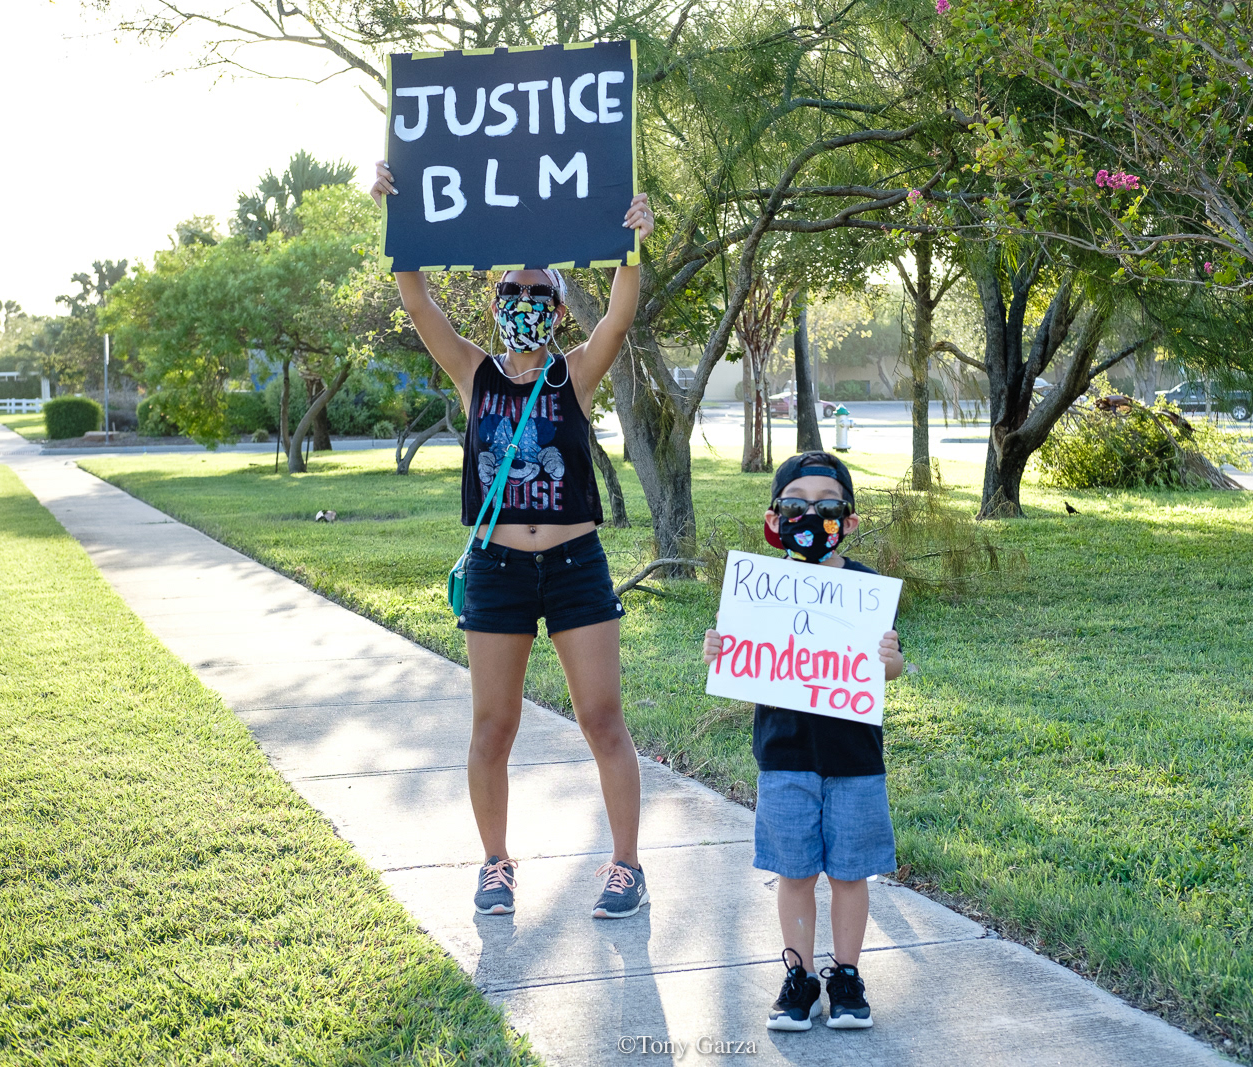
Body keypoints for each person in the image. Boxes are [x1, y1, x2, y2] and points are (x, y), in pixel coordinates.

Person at [369, 159, 656, 920]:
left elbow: (620, 317)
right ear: (496, 302)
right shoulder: (473, 373)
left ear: (558, 309)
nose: (524, 301)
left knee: (603, 718)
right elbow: (418, 299)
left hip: (575, 567)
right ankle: (495, 862)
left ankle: (627, 865)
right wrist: (399, 219)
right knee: (493, 725)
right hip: (496, 567)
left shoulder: (574, 375)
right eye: (512, 291)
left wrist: (632, 244)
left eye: (540, 293)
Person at [701, 451, 904, 1031]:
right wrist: (720, 650)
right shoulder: (759, 589)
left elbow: (885, 667)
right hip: (784, 756)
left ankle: (845, 976)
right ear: (775, 519)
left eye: (826, 506)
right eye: (796, 506)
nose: (811, 515)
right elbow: (744, 658)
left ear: (851, 520)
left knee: (849, 873)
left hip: (856, 758)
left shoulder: (867, 590)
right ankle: (799, 976)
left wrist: (891, 661)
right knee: (794, 873)